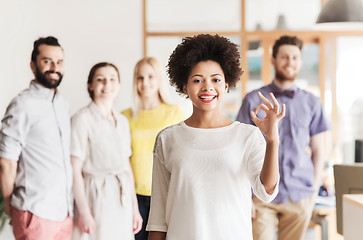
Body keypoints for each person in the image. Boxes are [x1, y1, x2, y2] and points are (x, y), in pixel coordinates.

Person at [147, 34, 286, 240]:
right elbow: (158, 216)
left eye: (216, 79)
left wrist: (272, 140)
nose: (207, 87)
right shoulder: (168, 139)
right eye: (197, 80)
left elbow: (266, 191)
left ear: (226, 85)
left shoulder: (247, 135)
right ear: (184, 87)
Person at [236, 35, 330, 240]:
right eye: (285, 57)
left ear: (300, 61)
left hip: (300, 194)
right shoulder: (253, 100)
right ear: (273, 60)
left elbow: (318, 149)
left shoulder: (312, 103)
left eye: (295, 58)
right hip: (261, 194)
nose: (290, 62)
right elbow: (240, 151)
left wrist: (313, 189)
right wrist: (245, 196)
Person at [0, 36, 73, 239]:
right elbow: (7, 161)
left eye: (59, 62)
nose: (54, 67)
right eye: (47, 61)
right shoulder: (22, 104)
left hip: (63, 213)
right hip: (34, 212)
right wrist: (9, 205)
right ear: (33, 65)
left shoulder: (62, 104)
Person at [71, 62, 142, 240]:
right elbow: (74, 169)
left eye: (112, 79)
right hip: (95, 196)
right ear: (91, 85)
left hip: (122, 198)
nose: (107, 84)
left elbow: (126, 167)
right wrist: (84, 212)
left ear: (118, 84)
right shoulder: (82, 119)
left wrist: (134, 208)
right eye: (101, 80)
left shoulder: (122, 121)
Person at [122, 57, 185, 240]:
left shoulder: (175, 113)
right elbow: (123, 159)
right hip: (135, 197)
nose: (145, 83)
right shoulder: (124, 117)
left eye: (151, 76)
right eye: (140, 77)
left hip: (166, 194)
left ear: (159, 79)